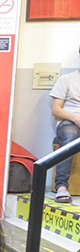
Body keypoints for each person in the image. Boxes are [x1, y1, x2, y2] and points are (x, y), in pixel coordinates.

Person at [50, 45, 80, 203]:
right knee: (70, 135)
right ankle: (61, 186)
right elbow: (56, 110)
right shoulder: (66, 79)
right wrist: (76, 119)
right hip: (70, 121)